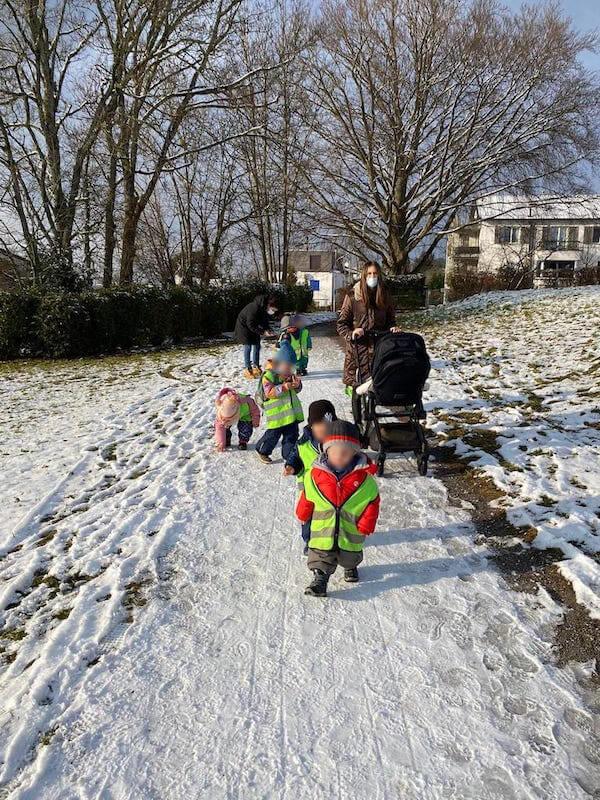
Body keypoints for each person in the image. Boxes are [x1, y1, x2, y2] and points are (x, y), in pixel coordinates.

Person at [296, 420, 380, 597]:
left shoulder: (364, 480)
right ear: (327, 451)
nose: (340, 456)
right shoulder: (315, 475)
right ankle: (320, 579)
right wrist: (303, 512)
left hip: (350, 528)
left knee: (349, 555)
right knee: (320, 555)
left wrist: (367, 522)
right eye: (335, 451)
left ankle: (350, 566)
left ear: (355, 454)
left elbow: (373, 500)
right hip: (323, 529)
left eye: (346, 452)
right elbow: (308, 494)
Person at [283, 399, 337, 554]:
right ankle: (309, 541)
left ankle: (335, 539)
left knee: (332, 516)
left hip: (333, 489)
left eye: (329, 428)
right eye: (321, 428)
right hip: (310, 490)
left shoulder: (338, 443)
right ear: (312, 426)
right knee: (307, 517)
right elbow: (295, 456)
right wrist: (291, 466)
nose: (325, 432)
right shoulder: (303, 444)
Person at [337, 261, 401, 390]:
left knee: (380, 382)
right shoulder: (353, 297)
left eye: (375, 274)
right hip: (358, 349)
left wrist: (393, 328)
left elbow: (390, 320)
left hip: (380, 347)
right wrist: (352, 333)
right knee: (358, 387)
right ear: (364, 275)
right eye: (369, 274)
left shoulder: (385, 295)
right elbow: (342, 324)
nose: (372, 277)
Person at [255, 340, 304, 464]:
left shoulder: (288, 374)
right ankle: (262, 450)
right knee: (272, 437)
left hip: (290, 415)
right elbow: (269, 392)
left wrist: (297, 385)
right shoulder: (269, 376)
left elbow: (295, 391)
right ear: (279, 363)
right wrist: (285, 387)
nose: (290, 369)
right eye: (288, 365)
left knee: (292, 436)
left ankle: (289, 455)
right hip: (277, 416)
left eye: (292, 366)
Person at [234, 294, 279, 379]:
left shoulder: (263, 308)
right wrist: (262, 332)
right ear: (268, 303)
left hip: (254, 328)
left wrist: (268, 329)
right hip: (244, 329)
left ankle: (256, 366)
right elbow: (250, 324)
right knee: (248, 347)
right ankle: (248, 369)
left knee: (257, 346)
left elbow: (264, 321)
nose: (272, 309)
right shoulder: (253, 308)